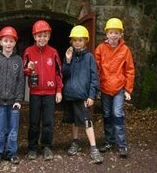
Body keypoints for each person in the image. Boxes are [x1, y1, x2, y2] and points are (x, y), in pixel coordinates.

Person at [95, 18, 135, 158]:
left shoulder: (125, 50)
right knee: (106, 115)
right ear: (106, 33)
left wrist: (128, 90)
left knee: (117, 115)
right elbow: (96, 69)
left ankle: (122, 145)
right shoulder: (100, 49)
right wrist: (96, 88)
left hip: (118, 88)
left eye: (116, 33)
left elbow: (129, 70)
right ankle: (108, 141)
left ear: (120, 35)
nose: (113, 35)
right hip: (105, 87)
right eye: (111, 32)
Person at [62, 25, 103, 164]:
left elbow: (94, 77)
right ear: (71, 41)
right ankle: (75, 142)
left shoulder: (89, 57)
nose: (77, 42)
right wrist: (67, 60)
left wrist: (92, 95)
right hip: (70, 94)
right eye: (75, 40)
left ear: (85, 41)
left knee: (87, 121)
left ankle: (93, 148)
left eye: (80, 40)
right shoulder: (69, 55)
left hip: (83, 96)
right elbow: (64, 74)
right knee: (74, 121)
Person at [23, 20, 63, 161]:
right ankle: (32, 147)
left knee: (48, 122)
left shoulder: (53, 52)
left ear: (49, 36)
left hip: (50, 93)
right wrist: (29, 69)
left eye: (45, 35)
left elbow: (58, 73)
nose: (42, 39)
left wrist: (58, 90)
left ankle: (47, 146)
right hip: (34, 93)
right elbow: (24, 72)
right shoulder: (28, 51)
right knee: (33, 122)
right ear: (34, 36)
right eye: (39, 36)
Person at [0, 26, 25, 165]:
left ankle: (12, 152)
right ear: (1, 42)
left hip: (13, 102)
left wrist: (19, 99)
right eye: (6, 41)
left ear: (15, 43)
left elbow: (21, 81)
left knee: (13, 130)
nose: (8, 44)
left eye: (11, 41)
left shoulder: (18, 60)